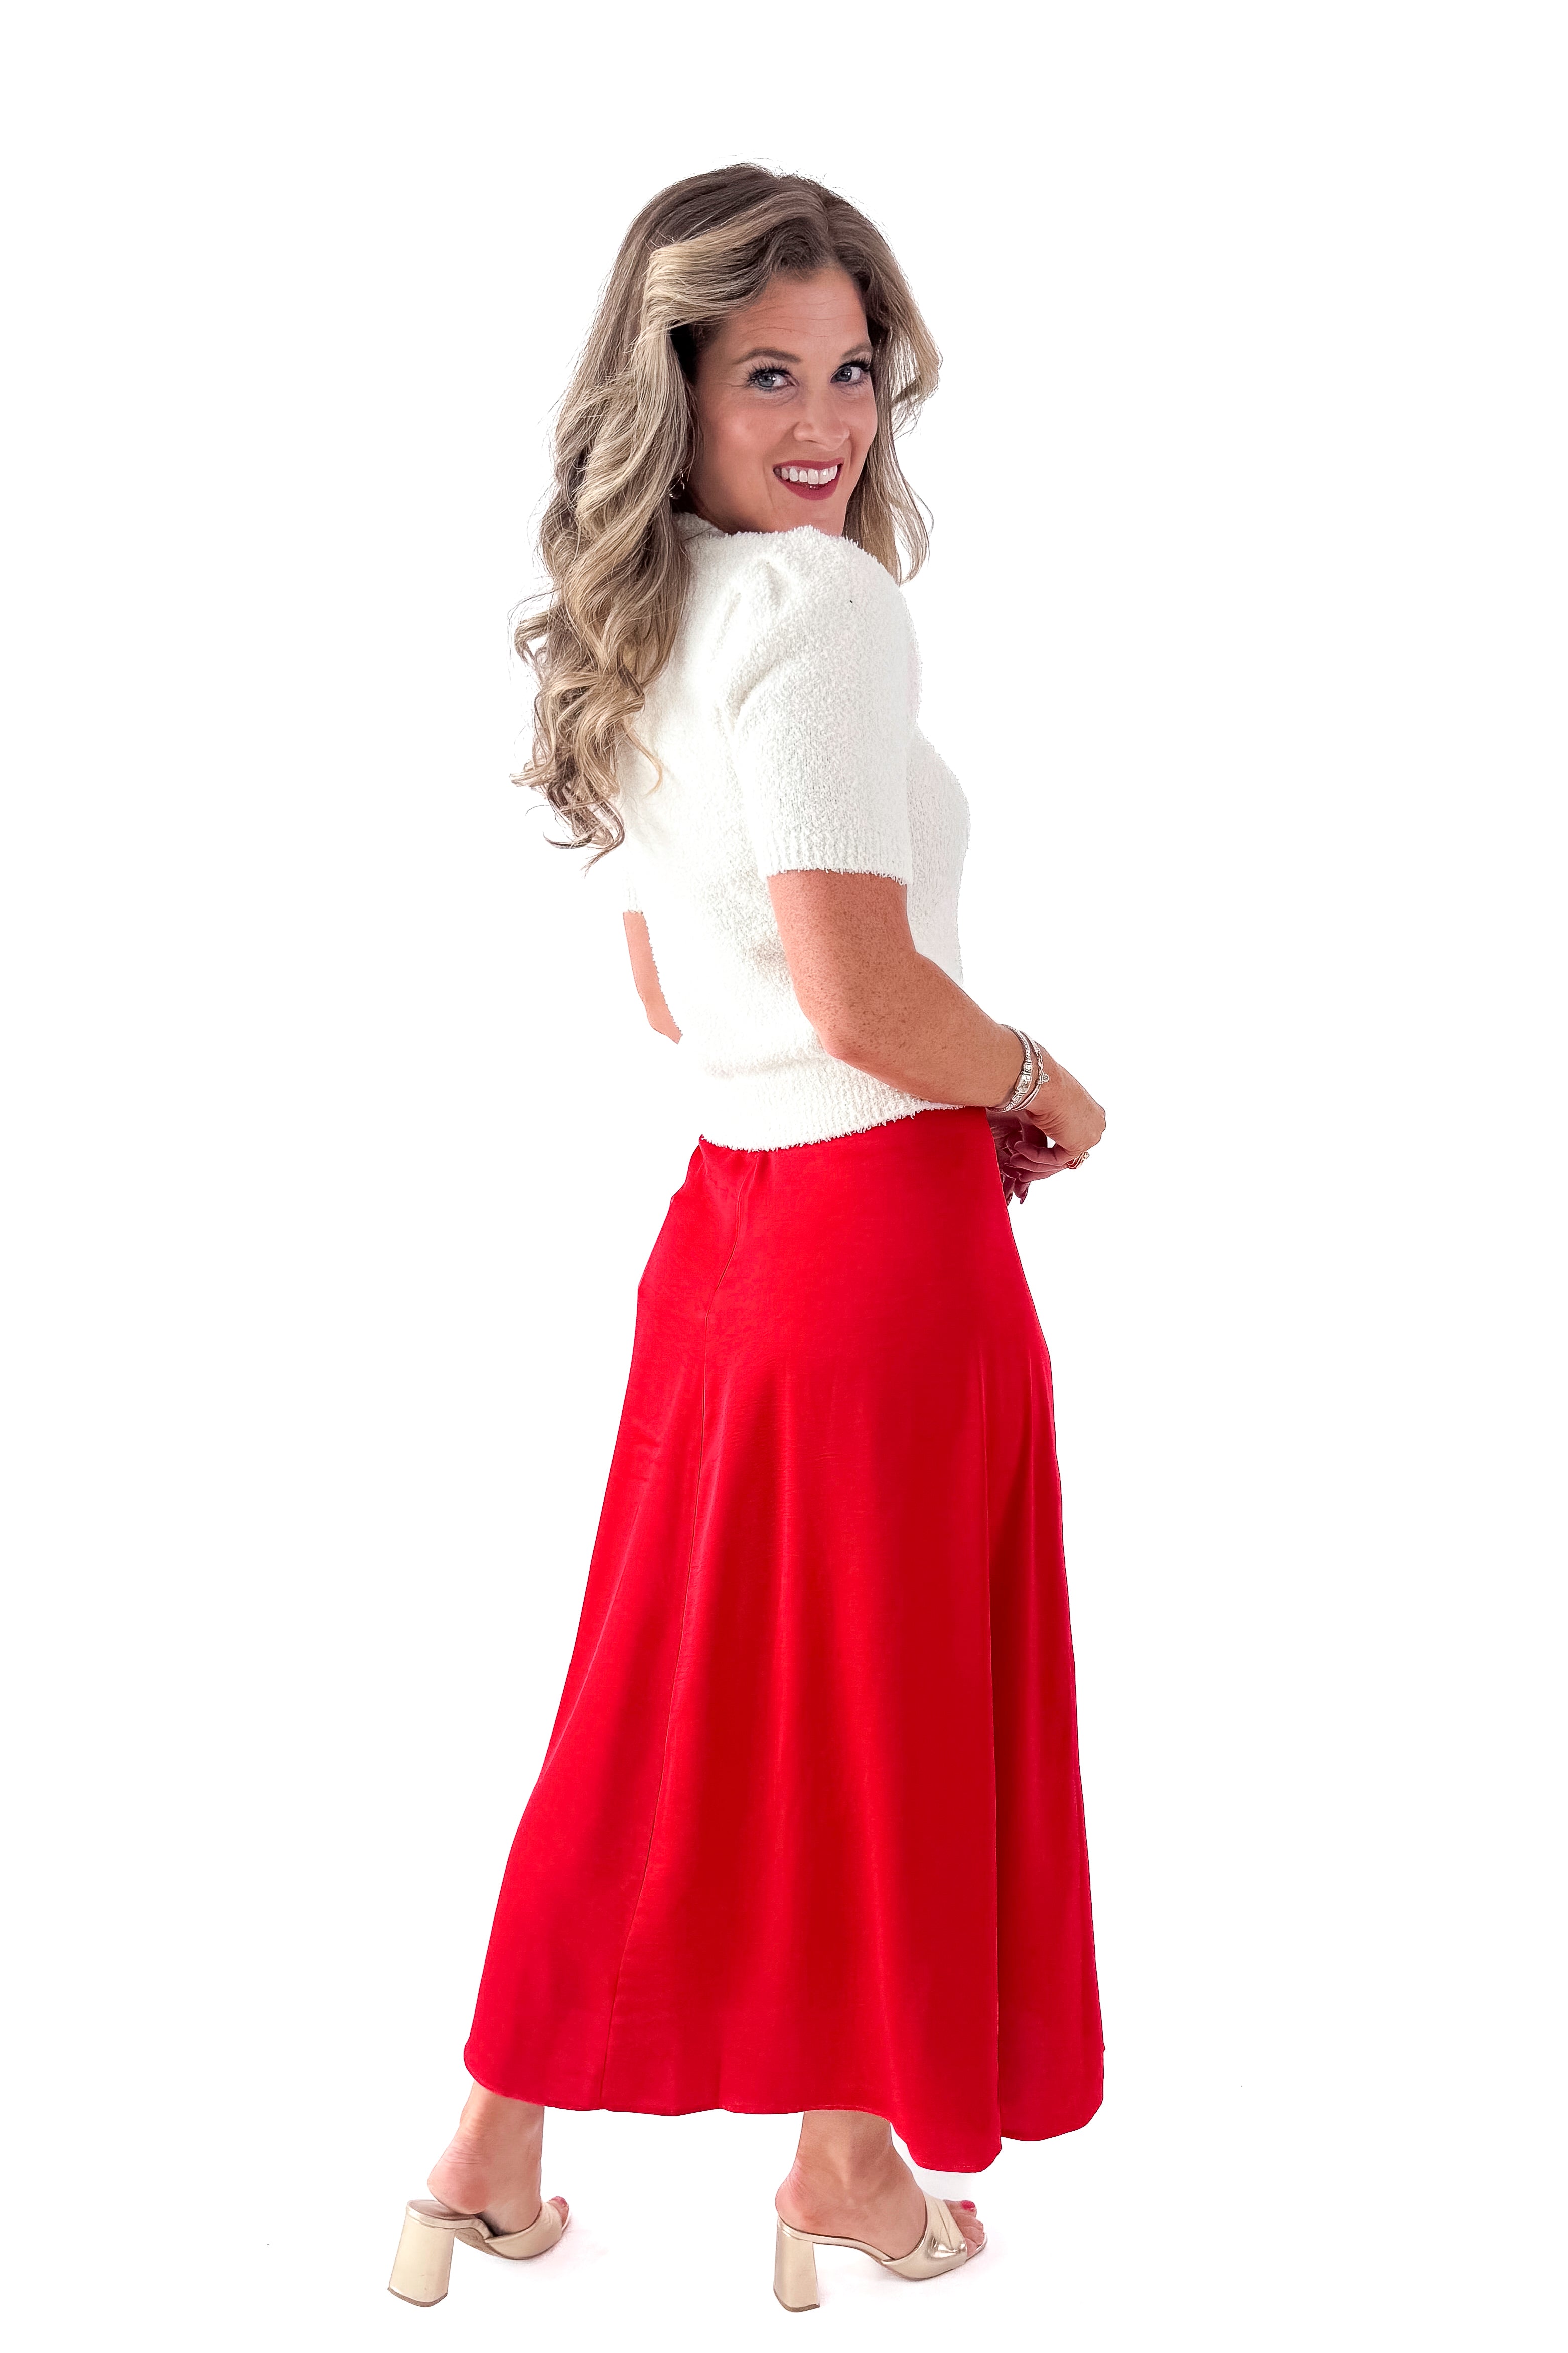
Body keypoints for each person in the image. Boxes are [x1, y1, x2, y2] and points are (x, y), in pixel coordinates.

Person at [389, 163, 1107, 2314]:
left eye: (851, 372)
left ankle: (487, 2157)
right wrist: (1030, 1080)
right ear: (673, 383)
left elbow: (662, 988)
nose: (821, 423)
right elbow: (857, 984)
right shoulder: (813, 606)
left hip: (721, 1236)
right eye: (764, 372)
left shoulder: (648, 618)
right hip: (879, 1235)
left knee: (665, 1701)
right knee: (885, 1709)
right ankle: (848, 2170)